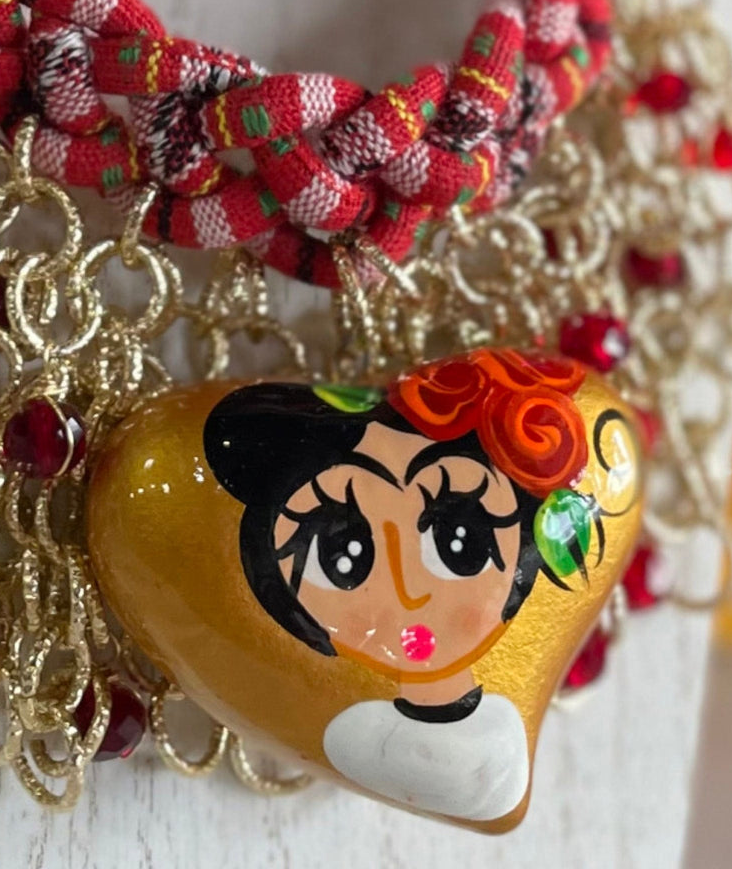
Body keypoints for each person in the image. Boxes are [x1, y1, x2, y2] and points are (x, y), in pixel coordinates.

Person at [203, 348, 620, 820]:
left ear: (534, 538)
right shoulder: (351, 738)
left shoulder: (495, 746)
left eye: (459, 542)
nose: (410, 593)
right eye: (343, 558)